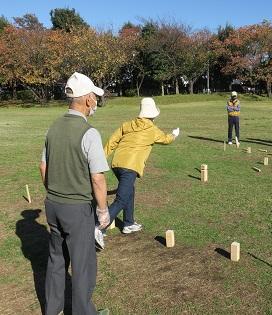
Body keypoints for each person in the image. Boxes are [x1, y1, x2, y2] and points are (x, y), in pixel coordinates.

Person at [39, 72, 110, 315]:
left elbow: (43, 167)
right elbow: (98, 178)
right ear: (88, 100)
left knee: (56, 260)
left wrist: (55, 192)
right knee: (83, 265)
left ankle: (53, 310)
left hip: (53, 205)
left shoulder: (53, 127)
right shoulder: (89, 132)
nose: (96, 104)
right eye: (95, 99)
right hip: (77, 209)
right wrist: (103, 211)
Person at [103, 97, 179, 235]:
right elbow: (166, 139)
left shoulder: (127, 124)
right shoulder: (152, 130)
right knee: (121, 199)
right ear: (153, 116)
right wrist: (174, 134)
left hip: (117, 164)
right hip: (130, 167)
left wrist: (102, 158)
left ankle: (128, 223)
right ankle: (98, 227)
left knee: (129, 192)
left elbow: (112, 141)